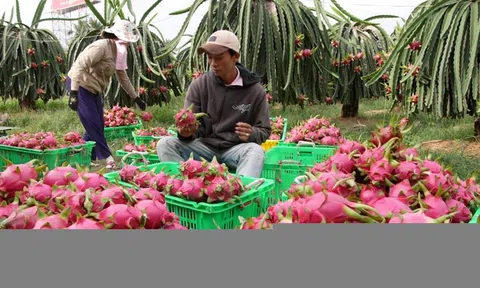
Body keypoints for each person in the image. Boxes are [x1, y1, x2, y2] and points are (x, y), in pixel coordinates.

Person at [156, 30, 271, 178]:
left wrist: (252, 133)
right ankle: (187, 186)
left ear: (235, 56)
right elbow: (192, 127)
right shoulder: (199, 85)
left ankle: (241, 194)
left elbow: (264, 130)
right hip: (204, 148)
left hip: (235, 150)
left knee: (255, 151)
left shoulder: (255, 91)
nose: (213, 63)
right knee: (165, 144)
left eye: (219, 57)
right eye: (210, 58)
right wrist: (186, 133)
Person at [66, 20, 147, 170]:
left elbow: (122, 76)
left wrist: (135, 97)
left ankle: (83, 158)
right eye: (125, 40)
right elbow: (79, 65)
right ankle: (108, 159)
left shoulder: (118, 52)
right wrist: (73, 93)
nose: (127, 44)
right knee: (93, 124)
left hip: (94, 90)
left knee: (97, 124)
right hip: (80, 86)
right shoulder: (100, 47)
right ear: (116, 36)